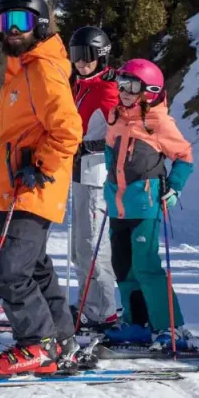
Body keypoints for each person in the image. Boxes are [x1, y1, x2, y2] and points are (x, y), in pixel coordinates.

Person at [0, 0, 83, 376]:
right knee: (35, 268)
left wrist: (39, 165)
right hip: (14, 191)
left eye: (20, 23)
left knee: (10, 273)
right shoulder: (19, 74)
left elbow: (69, 129)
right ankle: (60, 342)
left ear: (39, 25)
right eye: (4, 23)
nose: (11, 31)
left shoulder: (41, 69)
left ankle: (36, 344)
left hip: (32, 189)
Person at [99, 59, 195, 352]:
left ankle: (170, 327)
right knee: (123, 266)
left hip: (145, 203)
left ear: (150, 91)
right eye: (121, 84)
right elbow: (110, 151)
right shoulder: (116, 116)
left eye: (131, 87)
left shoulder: (159, 121)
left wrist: (174, 188)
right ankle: (136, 323)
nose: (124, 92)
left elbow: (184, 156)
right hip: (118, 205)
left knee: (146, 266)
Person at [67, 26, 120, 332]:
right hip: (78, 171)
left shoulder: (108, 87)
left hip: (95, 173)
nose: (81, 63)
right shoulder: (80, 85)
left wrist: (93, 144)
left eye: (87, 56)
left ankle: (103, 312)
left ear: (101, 56)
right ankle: (90, 304)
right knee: (78, 248)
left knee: (92, 245)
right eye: (76, 56)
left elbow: (122, 128)